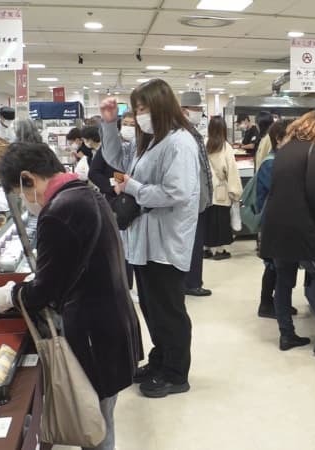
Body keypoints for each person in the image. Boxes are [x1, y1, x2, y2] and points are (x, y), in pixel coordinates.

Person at [0, 142, 142, 450]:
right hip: (113, 323)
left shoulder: (59, 211)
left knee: (94, 424)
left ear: (28, 178)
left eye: (19, 191)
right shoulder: (86, 193)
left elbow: (45, 289)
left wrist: (12, 294)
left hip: (93, 334)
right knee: (102, 417)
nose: (24, 200)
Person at [101, 80, 200, 398]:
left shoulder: (179, 143)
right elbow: (117, 164)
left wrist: (131, 188)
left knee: (169, 310)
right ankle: (160, 360)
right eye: (135, 109)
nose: (139, 115)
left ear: (160, 106)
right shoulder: (153, 140)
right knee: (153, 309)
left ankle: (176, 373)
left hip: (166, 242)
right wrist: (108, 124)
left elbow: (177, 192)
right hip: (144, 242)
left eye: (143, 109)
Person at [260, 111, 315, 355]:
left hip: (275, 226)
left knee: (284, 281)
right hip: (300, 228)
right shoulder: (313, 152)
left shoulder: (284, 149)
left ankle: (287, 335)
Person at [256, 119, 294, 319]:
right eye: (291, 137)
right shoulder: (271, 164)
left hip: (278, 221)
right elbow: (280, 191)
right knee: (272, 264)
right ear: (279, 139)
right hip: (272, 222)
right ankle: (266, 304)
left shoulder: (280, 161)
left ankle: (279, 302)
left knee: (279, 265)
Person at [179, 92, 215, 297]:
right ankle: (191, 283)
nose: (200, 113)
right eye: (197, 109)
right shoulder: (184, 135)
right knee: (193, 242)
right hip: (192, 200)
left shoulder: (192, 132)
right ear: (185, 111)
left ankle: (191, 281)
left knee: (194, 242)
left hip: (198, 198)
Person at [204, 116, 242, 261]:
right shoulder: (226, 147)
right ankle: (220, 250)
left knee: (207, 219)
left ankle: (206, 249)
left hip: (206, 188)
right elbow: (232, 171)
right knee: (221, 220)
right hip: (221, 189)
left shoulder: (203, 143)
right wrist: (235, 192)